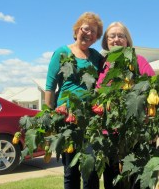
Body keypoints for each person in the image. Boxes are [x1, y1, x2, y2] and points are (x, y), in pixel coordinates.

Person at [45, 12, 103, 189]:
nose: (89, 34)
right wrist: (50, 118)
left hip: (90, 120)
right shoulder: (62, 52)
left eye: (94, 32)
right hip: (67, 118)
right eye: (86, 29)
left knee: (91, 169)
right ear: (77, 30)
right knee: (71, 171)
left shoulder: (96, 57)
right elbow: (50, 85)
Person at [97, 22, 155, 189]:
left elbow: (154, 91)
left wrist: (151, 126)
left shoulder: (139, 61)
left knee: (138, 182)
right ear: (106, 41)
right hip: (110, 136)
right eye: (112, 36)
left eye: (121, 36)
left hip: (137, 133)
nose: (116, 39)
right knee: (112, 182)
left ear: (127, 40)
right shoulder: (103, 64)